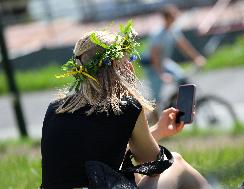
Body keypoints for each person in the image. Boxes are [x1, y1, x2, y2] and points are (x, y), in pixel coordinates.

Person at [40, 22, 212, 189]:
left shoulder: (55, 108)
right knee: (177, 162)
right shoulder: (126, 107)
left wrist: (158, 130)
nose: (131, 65)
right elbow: (152, 162)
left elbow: (103, 156)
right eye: (127, 60)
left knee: (132, 175)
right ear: (115, 66)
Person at [141, 4, 206, 103]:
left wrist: (196, 58)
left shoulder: (173, 30)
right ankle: (155, 116)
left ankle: (181, 105)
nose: (176, 16)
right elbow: (154, 55)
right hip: (152, 65)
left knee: (182, 78)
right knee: (156, 99)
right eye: (173, 14)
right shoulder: (157, 33)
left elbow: (184, 45)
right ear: (167, 17)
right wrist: (161, 74)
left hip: (163, 61)